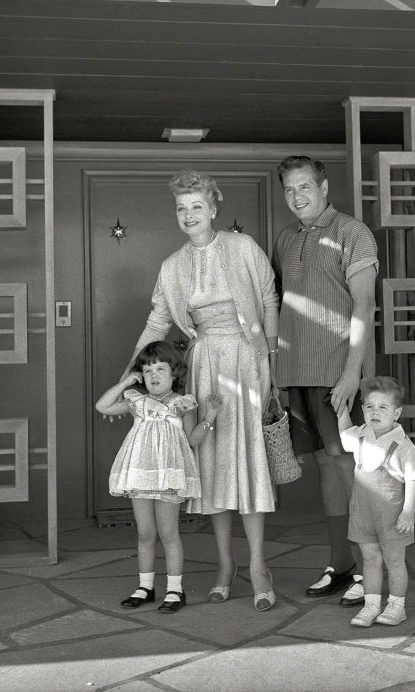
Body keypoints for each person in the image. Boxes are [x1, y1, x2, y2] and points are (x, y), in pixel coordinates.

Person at [123, 170, 279, 612]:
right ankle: (226, 566)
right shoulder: (172, 267)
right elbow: (157, 321)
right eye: (181, 207)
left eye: (197, 206)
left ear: (214, 208)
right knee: (211, 465)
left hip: (247, 363)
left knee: (246, 463)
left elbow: (269, 300)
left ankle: (260, 566)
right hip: (204, 366)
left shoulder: (243, 247)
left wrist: (271, 363)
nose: (189, 215)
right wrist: (130, 374)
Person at [272, 156, 378, 607]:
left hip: (337, 373)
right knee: (325, 465)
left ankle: (368, 570)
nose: (298, 197)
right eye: (290, 190)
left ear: (323, 185)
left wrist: (353, 371)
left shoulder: (353, 233)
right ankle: (341, 565)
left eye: (305, 187)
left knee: (349, 466)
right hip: (297, 372)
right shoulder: (285, 238)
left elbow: (364, 306)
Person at [96, 340, 215, 613]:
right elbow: (103, 406)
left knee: (169, 532)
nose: (154, 376)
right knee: (145, 532)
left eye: (160, 369)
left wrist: (211, 416)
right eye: (148, 371)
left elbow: (193, 439)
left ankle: (175, 590)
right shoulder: (137, 402)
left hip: (168, 477)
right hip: (141, 475)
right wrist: (126, 381)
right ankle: (145, 586)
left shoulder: (182, 404)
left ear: (174, 373)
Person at [337, 376, 415, 627]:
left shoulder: (401, 444)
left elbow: (414, 478)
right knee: (370, 558)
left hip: (392, 516)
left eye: (383, 407)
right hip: (363, 513)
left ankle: (397, 606)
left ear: (397, 413)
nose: (374, 412)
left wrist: (408, 512)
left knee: (394, 560)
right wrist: (342, 411)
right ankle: (371, 605)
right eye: (369, 407)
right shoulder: (363, 435)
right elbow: (345, 435)